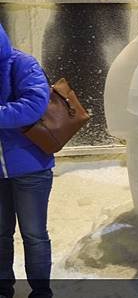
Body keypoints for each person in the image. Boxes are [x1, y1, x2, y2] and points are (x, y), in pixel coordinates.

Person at [0, 24, 52, 298]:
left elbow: (33, 107)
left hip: (31, 167)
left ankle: (41, 291)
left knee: (33, 235)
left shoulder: (22, 64)